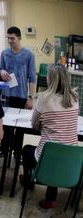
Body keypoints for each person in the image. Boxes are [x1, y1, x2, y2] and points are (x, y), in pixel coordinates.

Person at [21, 64, 79, 209]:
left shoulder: (44, 99)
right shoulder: (75, 98)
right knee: (57, 151)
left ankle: (30, 182)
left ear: (50, 79)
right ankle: (50, 198)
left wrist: (45, 125)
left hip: (47, 158)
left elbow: (34, 125)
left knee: (27, 150)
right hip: (72, 160)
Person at [0, 26, 36, 157]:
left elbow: (32, 78)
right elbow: (0, 71)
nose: (10, 41)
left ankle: (17, 152)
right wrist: (1, 72)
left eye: (12, 38)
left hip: (21, 96)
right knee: (6, 124)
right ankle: (4, 150)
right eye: (8, 38)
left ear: (19, 38)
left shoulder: (29, 55)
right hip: (6, 95)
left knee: (20, 127)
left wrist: (31, 98)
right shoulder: (4, 53)